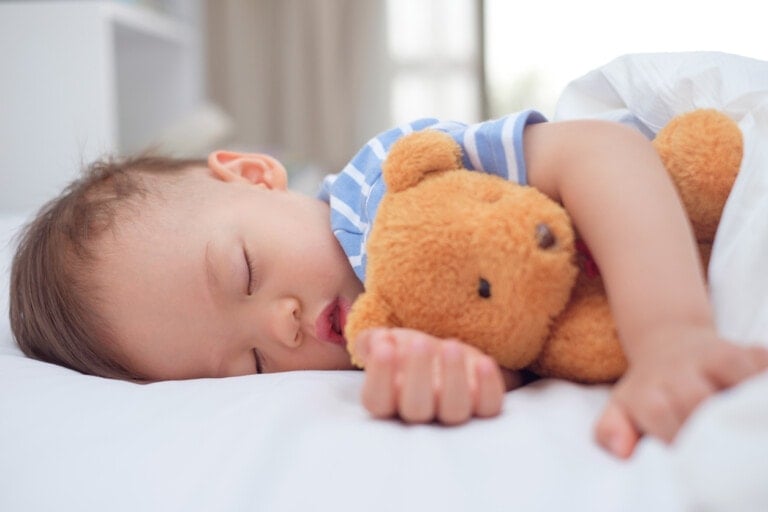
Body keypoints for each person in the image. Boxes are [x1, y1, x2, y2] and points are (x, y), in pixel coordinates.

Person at [10, 110, 768, 460]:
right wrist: (464, 379)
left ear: (254, 175)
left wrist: (668, 335)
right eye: (251, 365)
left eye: (243, 272)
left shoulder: (392, 178)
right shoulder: (375, 350)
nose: (282, 328)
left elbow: (596, 151)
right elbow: (516, 325)